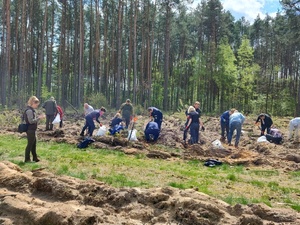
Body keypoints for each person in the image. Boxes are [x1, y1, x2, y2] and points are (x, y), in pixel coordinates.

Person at [24, 96, 45, 162]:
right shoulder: (29, 111)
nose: (37, 106)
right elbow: (31, 121)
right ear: (33, 103)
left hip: (32, 130)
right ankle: (27, 159)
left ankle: (35, 158)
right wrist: (39, 118)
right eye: (36, 104)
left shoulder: (31, 110)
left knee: (34, 144)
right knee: (30, 145)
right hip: (30, 130)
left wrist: (38, 118)